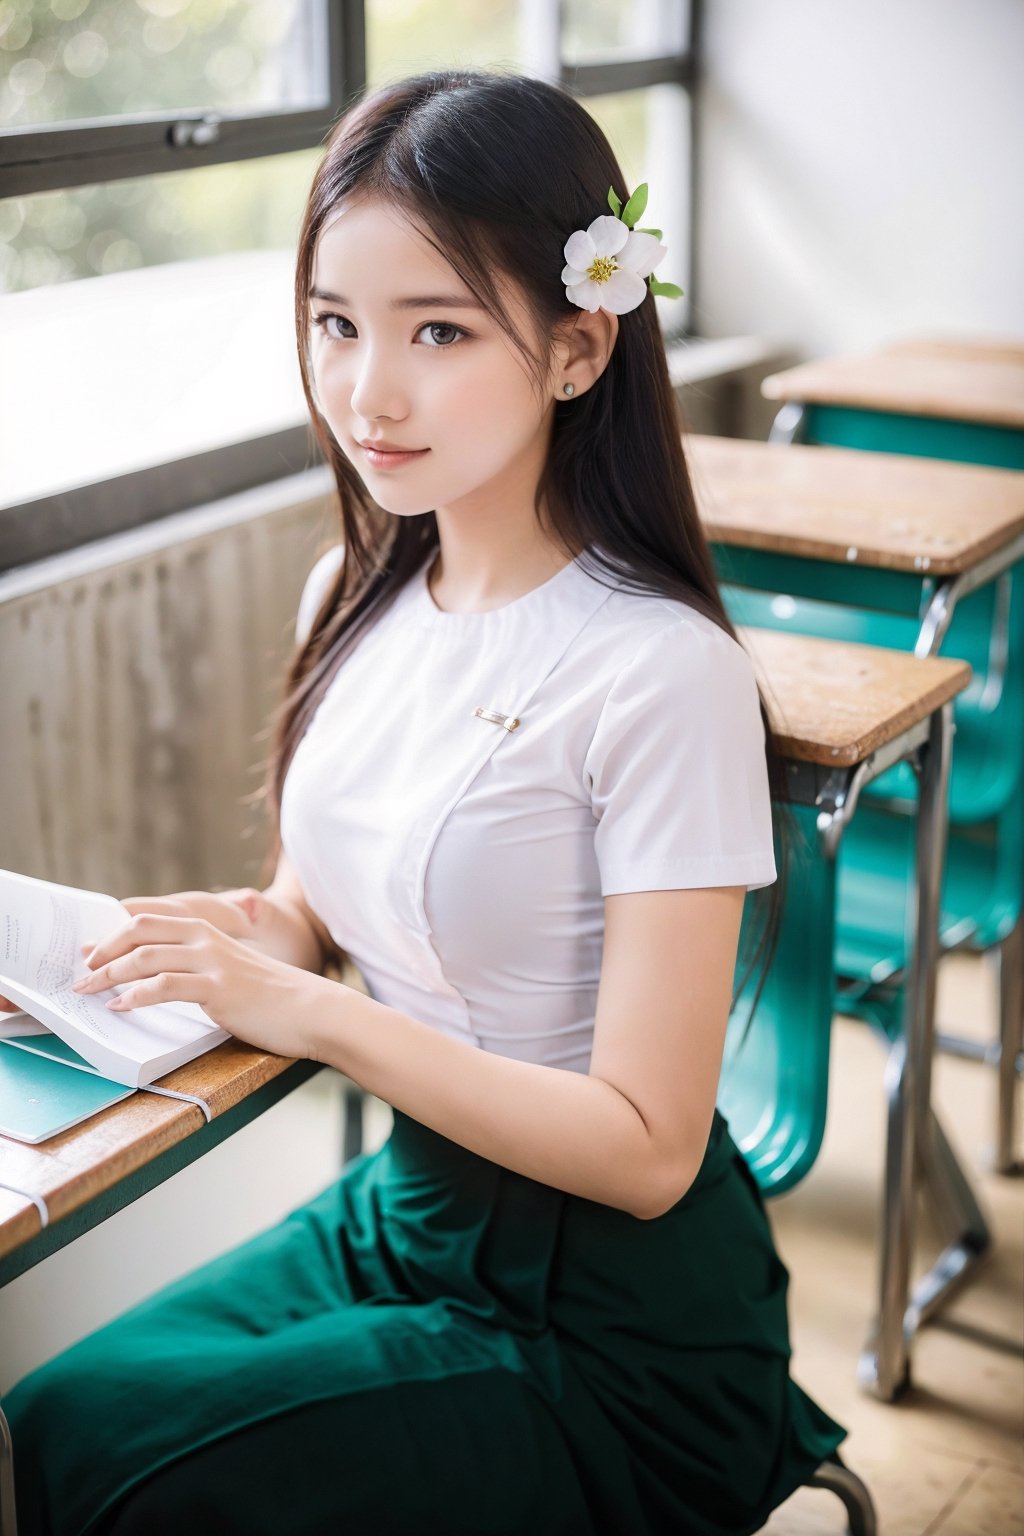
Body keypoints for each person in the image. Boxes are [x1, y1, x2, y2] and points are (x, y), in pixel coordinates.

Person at [2, 68, 846, 1536]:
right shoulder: (359, 586)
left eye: (438, 331)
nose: (365, 391)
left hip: (612, 1323)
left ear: (580, 350)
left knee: (130, 1472)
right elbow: (306, 917)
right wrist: (135, 956)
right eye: (335, 324)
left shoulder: (661, 674)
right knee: (48, 1418)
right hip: (413, 1217)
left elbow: (648, 1151)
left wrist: (315, 1015)